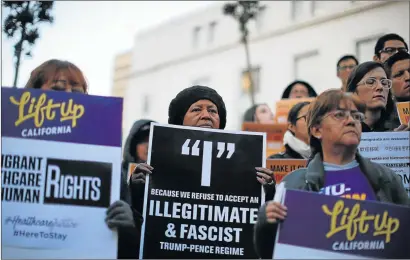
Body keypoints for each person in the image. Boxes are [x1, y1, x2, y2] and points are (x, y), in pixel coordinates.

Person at [253, 89, 409, 259]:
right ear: (316, 130)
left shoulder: (387, 179)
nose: (351, 121)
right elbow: (269, 253)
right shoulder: (293, 183)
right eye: (340, 115)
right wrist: (266, 222)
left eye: (357, 116)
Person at [24, 59, 138, 259]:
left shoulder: (105, 157)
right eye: (58, 90)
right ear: (33, 93)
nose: (68, 98)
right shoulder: (10, 148)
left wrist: (129, 224)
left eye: (77, 93)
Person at [132, 85, 276, 200]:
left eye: (213, 111)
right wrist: (136, 189)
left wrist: (267, 191)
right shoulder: (161, 158)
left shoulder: (243, 161)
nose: (206, 116)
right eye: (196, 110)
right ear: (180, 119)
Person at [346, 61, 407, 132]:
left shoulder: (401, 126)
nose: (380, 87)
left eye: (384, 83)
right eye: (371, 82)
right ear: (353, 92)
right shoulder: (342, 128)